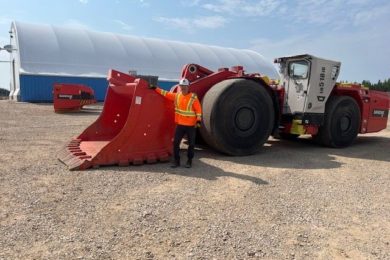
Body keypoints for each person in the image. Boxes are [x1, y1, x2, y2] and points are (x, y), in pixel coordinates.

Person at [149, 78, 202, 168]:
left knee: (191, 144)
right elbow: (165, 93)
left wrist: (198, 120)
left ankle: (189, 161)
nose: (183, 88)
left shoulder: (193, 97)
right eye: (182, 86)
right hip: (180, 125)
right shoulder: (177, 96)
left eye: (185, 86)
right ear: (180, 87)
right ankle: (176, 161)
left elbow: (198, 110)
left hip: (191, 126)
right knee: (176, 143)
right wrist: (155, 88)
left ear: (188, 87)